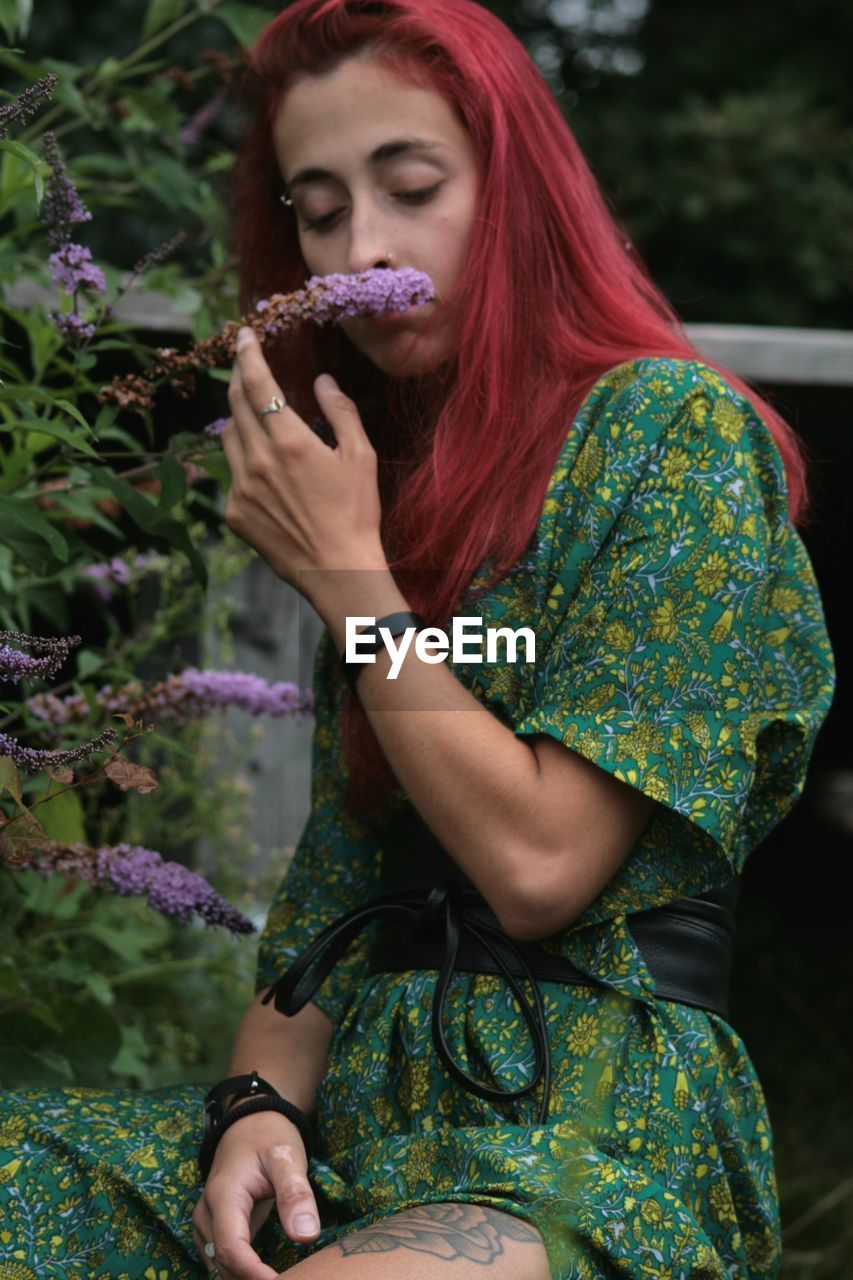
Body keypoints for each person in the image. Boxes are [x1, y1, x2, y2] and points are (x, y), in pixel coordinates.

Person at [0, 0, 837, 1278]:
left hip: (594, 1134)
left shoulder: (668, 438)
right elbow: (339, 893)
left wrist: (351, 582)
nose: (361, 247)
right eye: (319, 209)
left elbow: (541, 864)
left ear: (517, 193)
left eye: (411, 185)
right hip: (358, 1133)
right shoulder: (398, 489)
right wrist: (256, 1110)